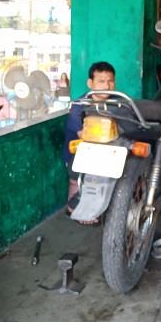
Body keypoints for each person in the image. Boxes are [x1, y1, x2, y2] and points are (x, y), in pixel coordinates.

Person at [63, 61, 116, 223]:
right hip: (80, 153)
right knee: (77, 178)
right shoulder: (79, 107)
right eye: (101, 81)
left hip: (108, 151)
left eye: (110, 81)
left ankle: (100, 207)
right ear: (90, 83)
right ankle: (74, 208)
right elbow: (86, 138)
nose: (106, 85)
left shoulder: (119, 103)